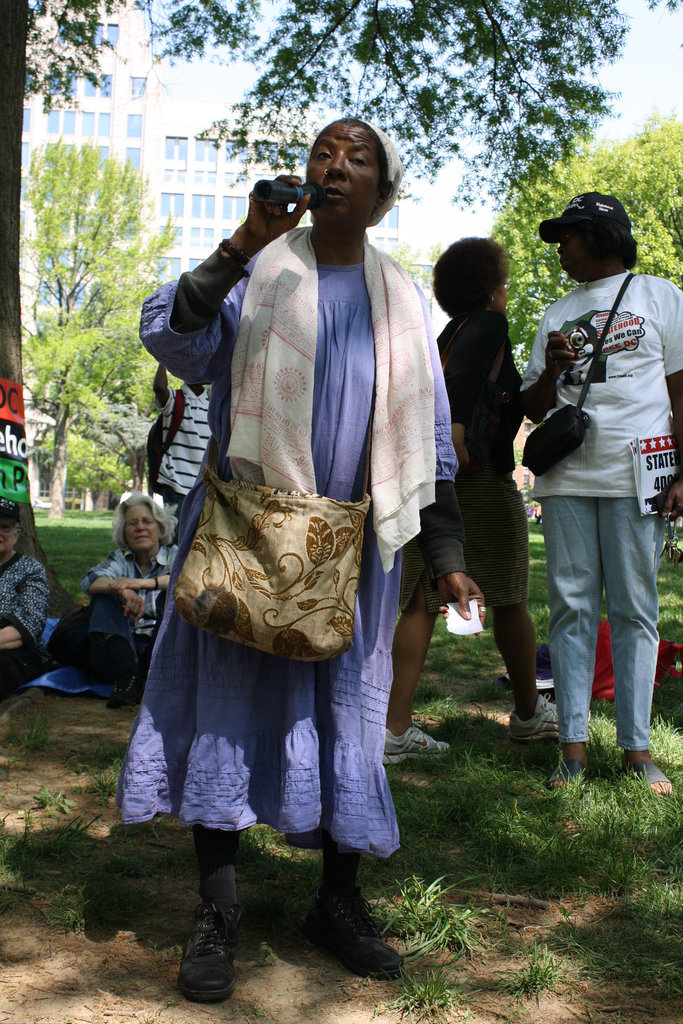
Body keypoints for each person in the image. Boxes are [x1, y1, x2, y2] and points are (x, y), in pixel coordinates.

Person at [117, 118, 484, 1003]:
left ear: (382, 193)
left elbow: (425, 447)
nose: (336, 165)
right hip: (249, 538)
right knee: (227, 711)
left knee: (349, 721)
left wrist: (446, 557)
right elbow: (175, 339)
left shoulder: (400, 301)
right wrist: (244, 240)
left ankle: (337, 900)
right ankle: (217, 910)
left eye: (358, 157)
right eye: (325, 151)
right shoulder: (257, 276)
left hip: (352, 554)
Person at [521, 191, 683, 793]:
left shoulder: (661, 296)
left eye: (570, 234)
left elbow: (681, 391)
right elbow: (535, 408)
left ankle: (637, 749)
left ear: (604, 237)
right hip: (567, 478)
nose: (561, 246)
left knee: (636, 608)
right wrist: (554, 373)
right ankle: (573, 746)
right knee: (570, 606)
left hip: (639, 473)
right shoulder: (555, 312)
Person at [386, 238, 557, 765]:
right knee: (508, 591)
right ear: (488, 289)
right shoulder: (487, 324)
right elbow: (460, 388)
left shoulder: (446, 333)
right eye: (503, 283)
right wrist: (456, 437)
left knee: (421, 595)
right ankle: (529, 713)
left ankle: (393, 726)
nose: (506, 292)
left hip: (432, 476)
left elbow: (508, 400)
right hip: (477, 474)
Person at [79, 493, 177, 709]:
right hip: (119, 655)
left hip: (162, 654)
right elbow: (90, 581)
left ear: (160, 529)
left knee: (177, 599)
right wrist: (122, 591)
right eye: (132, 523)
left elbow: (188, 581)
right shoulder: (120, 559)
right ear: (124, 532)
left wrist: (140, 583)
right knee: (103, 597)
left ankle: (138, 679)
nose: (140, 527)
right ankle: (128, 679)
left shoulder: (174, 557)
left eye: (147, 522)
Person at [152, 365, 211, 536]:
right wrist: (165, 358)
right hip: (176, 485)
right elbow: (159, 387)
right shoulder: (175, 399)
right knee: (175, 543)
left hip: (202, 488)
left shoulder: (211, 404)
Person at [0, 497, 50, 701]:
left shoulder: (30, 569)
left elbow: (30, 625)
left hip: (17, 652)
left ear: (16, 533)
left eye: (4, 527)